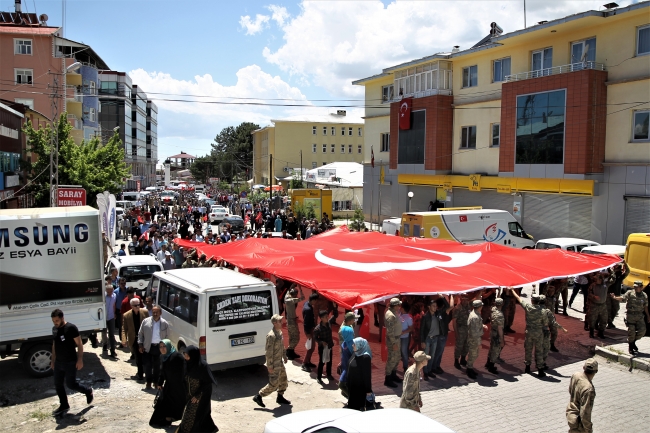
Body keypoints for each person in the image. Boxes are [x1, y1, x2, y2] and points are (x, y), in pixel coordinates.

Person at [50, 309, 93, 416]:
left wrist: (80, 359)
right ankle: (64, 405)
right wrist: (52, 360)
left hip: (70, 362)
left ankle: (87, 391)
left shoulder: (71, 328)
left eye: (56, 320)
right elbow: (54, 345)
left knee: (71, 384)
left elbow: (79, 344)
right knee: (57, 384)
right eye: (53, 321)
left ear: (62, 318)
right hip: (59, 362)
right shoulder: (54, 329)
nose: (55, 323)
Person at [177, 346, 219, 433]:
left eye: (188, 355)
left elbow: (207, 383)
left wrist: (198, 395)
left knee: (190, 417)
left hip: (200, 397)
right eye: (185, 355)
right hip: (190, 395)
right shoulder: (186, 364)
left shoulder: (202, 366)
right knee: (199, 417)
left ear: (194, 356)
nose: (186, 357)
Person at [253, 314, 291, 407]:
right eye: (279, 321)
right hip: (274, 363)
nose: (281, 322)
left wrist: (284, 356)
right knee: (273, 384)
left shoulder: (279, 332)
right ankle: (259, 396)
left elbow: (282, 346)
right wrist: (269, 366)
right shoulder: (271, 336)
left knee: (283, 380)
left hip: (280, 362)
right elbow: (268, 352)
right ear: (274, 323)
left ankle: (280, 397)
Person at [510, 288, 548, 377]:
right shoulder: (543, 311)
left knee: (528, 349)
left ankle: (527, 367)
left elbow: (519, 298)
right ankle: (540, 369)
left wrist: (512, 290)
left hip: (529, 332)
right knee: (539, 351)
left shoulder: (528, 307)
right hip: (538, 333)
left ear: (532, 300)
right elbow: (545, 323)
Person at [149, 340, 186, 427]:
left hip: (179, 386)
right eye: (160, 347)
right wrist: (159, 383)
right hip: (169, 385)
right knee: (164, 404)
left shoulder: (176, 356)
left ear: (168, 346)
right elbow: (162, 372)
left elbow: (185, 368)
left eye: (164, 346)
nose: (162, 349)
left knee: (178, 404)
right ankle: (166, 420)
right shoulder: (163, 357)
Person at [610, 280, 650, 354]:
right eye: (634, 286)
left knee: (642, 331)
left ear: (641, 287)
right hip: (631, 315)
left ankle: (633, 342)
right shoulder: (630, 293)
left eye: (637, 287)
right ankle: (631, 347)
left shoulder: (644, 295)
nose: (635, 288)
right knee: (631, 332)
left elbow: (645, 307)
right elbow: (623, 298)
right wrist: (615, 297)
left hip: (640, 316)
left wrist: (648, 316)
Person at [138, 306, 170, 389]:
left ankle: (156, 382)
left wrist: (165, 348)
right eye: (153, 312)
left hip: (159, 348)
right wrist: (140, 344)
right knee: (147, 365)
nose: (155, 314)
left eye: (157, 312)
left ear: (160, 313)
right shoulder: (146, 322)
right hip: (148, 347)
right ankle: (148, 381)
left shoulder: (164, 323)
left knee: (157, 366)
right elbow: (140, 334)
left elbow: (167, 336)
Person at [566, 358, 598, 433]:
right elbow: (585, 413)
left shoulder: (576, 375)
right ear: (596, 371)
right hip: (579, 423)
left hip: (571, 414)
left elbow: (570, 390)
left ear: (583, 367)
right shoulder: (589, 389)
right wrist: (588, 430)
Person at [122, 298, 149, 381]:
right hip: (134, 339)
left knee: (145, 357)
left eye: (139, 304)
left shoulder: (145, 312)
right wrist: (124, 339)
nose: (138, 306)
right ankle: (140, 374)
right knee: (138, 358)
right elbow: (124, 328)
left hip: (144, 339)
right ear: (131, 306)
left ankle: (146, 373)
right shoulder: (126, 315)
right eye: (136, 305)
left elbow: (149, 324)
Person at [346, 337, 374, 411]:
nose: (352, 345)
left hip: (359, 389)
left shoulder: (365, 358)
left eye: (354, 344)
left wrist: (368, 391)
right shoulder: (355, 353)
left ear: (360, 345)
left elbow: (367, 376)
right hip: (352, 387)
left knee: (356, 409)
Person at [384, 298, 403, 388]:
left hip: (397, 338)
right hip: (393, 340)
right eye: (398, 305)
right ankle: (388, 379)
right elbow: (390, 332)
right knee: (392, 359)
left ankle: (393, 375)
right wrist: (394, 343)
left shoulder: (394, 313)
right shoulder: (391, 315)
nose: (399, 306)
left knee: (397, 357)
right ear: (395, 306)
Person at [466, 300, 487, 379]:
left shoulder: (475, 314)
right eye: (481, 306)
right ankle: (469, 369)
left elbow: (477, 324)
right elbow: (474, 332)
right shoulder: (474, 316)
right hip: (474, 340)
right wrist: (479, 343)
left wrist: (483, 325)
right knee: (473, 355)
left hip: (474, 338)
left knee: (474, 354)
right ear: (479, 307)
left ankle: (470, 368)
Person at [314, 310, 334, 385]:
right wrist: (321, 342)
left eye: (327, 316)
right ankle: (319, 377)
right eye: (325, 317)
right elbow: (315, 338)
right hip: (322, 348)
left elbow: (335, 315)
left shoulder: (329, 323)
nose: (327, 318)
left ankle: (329, 374)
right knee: (322, 362)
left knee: (329, 361)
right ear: (321, 318)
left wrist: (334, 307)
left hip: (329, 346)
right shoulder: (318, 328)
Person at [284, 286, 305, 360]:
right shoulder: (291, 300)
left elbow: (288, 289)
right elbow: (303, 298)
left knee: (292, 337)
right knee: (296, 337)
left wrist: (293, 284)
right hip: (292, 321)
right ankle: (289, 350)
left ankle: (291, 352)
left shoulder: (286, 297)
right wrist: (300, 289)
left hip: (290, 320)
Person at [338, 312, 356, 397]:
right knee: (346, 369)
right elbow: (343, 345)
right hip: (346, 350)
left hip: (347, 348)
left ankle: (345, 389)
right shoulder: (343, 330)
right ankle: (344, 389)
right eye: (353, 319)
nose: (354, 321)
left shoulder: (348, 325)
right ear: (349, 320)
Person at [486, 297, 505, 374]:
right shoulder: (499, 314)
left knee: (491, 348)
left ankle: (487, 363)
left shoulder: (493, 309)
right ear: (502, 304)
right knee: (496, 350)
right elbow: (500, 328)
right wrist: (502, 339)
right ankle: (491, 366)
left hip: (492, 331)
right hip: (497, 333)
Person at [452, 294, 472, 369]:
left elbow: (477, 298)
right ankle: (456, 361)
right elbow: (454, 321)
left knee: (466, 345)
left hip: (468, 329)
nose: (465, 301)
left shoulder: (468, 306)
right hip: (460, 329)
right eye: (463, 299)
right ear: (461, 299)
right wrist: (456, 333)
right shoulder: (457, 308)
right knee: (459, 346)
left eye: (466, 299)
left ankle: (463, 359)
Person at [588, 273, 608, 339]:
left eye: (598, 279)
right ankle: (591, 333)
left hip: (603, 305)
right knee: (592, 319)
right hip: (594, 305)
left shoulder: (605, 285)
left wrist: (611, 271)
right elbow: (589, 293)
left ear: (601, 279)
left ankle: (601, 333)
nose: (596, 281)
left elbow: (613, 279)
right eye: (595, 279)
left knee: (604, 320)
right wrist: (594, 296)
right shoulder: (593, 285)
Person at [301, 294, 318, 372]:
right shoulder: (308, 309)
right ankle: (304, 363)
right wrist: (308, 333)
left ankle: (308, 361)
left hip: (310, 329)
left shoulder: (306, 304)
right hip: (309, 330)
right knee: (310, 347)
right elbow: (305, 322)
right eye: (315, 301)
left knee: (311, 347)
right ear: (313, 300)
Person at [101, 280, 118, 358]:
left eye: (111, 291)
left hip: (111, 317)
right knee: (104, 332)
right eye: (108, 291)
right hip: (104, 318)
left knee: (111, 334)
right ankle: (105, 345)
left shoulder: (114, 296)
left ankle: (112, 350)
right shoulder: (103, 296)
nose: (109, 293)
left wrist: (114, 313)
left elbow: (114, 305)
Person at [399, 302, 413, 374]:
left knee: (404, 352)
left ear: (403, 309)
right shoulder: (399, 314)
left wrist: (404, 332)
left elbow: (411, 328)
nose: (399, 308)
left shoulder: (408, 318)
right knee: (397, 352)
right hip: (398, 337)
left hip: (404, 338)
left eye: (401, 307)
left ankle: (405, 367)